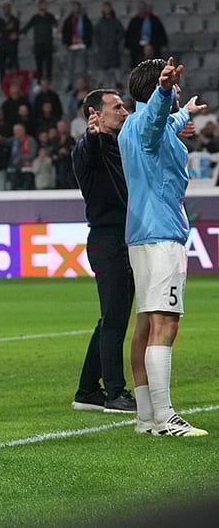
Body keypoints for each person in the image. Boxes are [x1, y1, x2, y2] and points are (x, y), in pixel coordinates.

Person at [118, 58, 208, 436]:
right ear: (156, 87)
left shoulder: (130, 127)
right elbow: (157, 121)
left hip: (142, 235)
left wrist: (181, 111)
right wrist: (165, 91)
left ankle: (146, 416)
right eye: (172, 85)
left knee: (145, 324)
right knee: (165, 324)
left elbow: (160, 124)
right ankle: (166, 417)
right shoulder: (148, 123)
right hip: (161, 235)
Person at [71, 89, 137, 414]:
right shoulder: (91, 147)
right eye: (116, 107)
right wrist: (92, 135)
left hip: (123, 239)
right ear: (95, 114)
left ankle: (87, 391)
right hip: (107, 240)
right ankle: (115, 393)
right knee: (114, 320)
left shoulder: (120, 146)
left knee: (113, 318)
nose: (124, 112)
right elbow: (89, 151)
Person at [21, 0, 57, 81]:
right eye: (42, 5)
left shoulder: (50, 16)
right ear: (39, 6)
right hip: (38, 44)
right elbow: (27, 27)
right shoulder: (35, 17)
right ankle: (39, 81)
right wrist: (21, 32)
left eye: (45, 5)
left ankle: (49, 80)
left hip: (48, 43)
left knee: (49, 65)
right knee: (39, 65)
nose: (44, 6)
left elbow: (56, 26)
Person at [124, 2, 168, 69]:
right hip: (137, 52)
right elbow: (130, 37)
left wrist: (152, 46)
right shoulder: (134, 21)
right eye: (140, 8)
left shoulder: (154, 21)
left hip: (153, 50)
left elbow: (160, 35)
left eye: (143, 8)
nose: (142, 10)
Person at [92, 2, 125, 87]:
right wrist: (100, 42)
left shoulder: (115, 22)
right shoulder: (100, 23)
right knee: (103, 72)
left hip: (114, 51)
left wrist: (115, 41)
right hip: (103, 52)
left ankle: (118, 86)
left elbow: (121, 32)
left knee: (115, 72)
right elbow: (95, 34)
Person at [61, 2, 93, 86]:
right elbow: (64, 32)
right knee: (70, 68)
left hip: (82, 46)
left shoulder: (85, 19)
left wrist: (87, 43)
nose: (75, 9)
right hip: (71, 47)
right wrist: (67, 43)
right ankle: (70, 84)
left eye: (77, 7)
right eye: (74, 7)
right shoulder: (68, 20)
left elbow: (89, 31)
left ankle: (84, 85)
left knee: (82, 68)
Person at [0, 4, 20, 80]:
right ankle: (3, 84)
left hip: (12, 46)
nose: (7, 10)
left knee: (14, 65)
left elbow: (16, 34)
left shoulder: (15, 20)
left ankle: (16, 82)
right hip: (1, 46)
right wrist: (7, 29)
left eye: (8, 9)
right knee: (2, 67)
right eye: (5, 9)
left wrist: (4, 33)